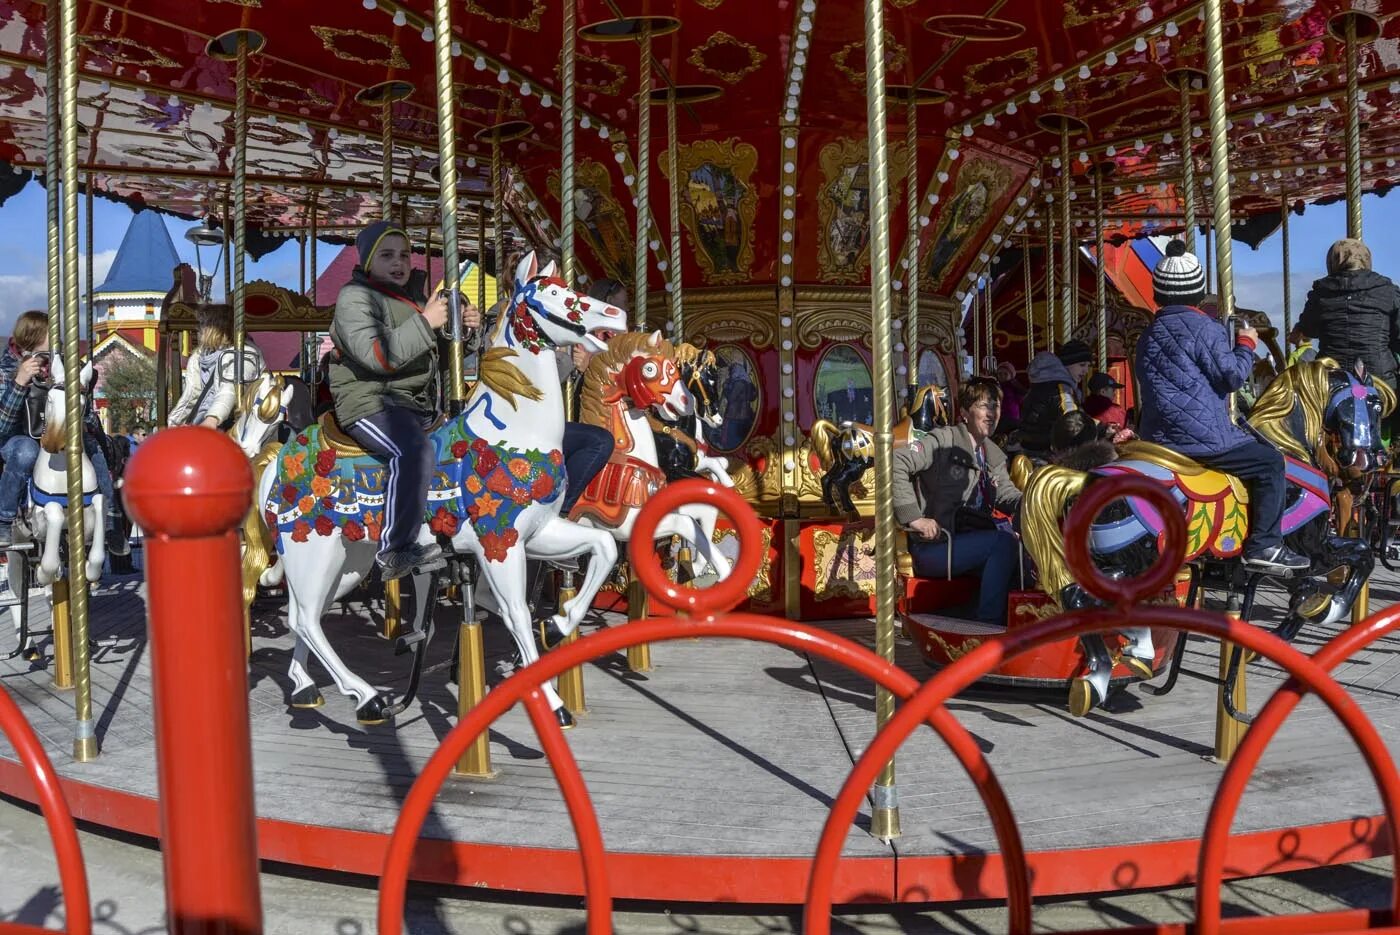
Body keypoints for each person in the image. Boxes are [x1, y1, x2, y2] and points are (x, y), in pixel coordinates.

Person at [1137, 240, 1307, 573]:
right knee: (1271, 462)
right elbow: (1231, 378)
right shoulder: (1205, 329)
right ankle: (1265, 545)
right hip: (1200, 439)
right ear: (1198, 291)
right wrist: (1245, 345)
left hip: (1157, 439)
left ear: (1158, 293)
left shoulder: (1149, 333)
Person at [329, 220, 480, 579]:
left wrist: (465, 332)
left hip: (415, 405)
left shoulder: (411, 299)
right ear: (367, 260)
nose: (398, 263)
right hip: (370, 401)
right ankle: (395, 548)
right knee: (413, 449)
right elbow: (379, 356)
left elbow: (433, 360)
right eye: (386, 255)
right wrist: (427, 321)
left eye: (403, 254)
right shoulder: (354, 298)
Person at [893, 378, 1023, 627]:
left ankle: (1010, 623)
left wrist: (1035, 501)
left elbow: (1006, 494)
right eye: (984, 406)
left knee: (1023, 556)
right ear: (964, 412)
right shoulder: (942, 441)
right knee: (1003, 543)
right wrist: (914, 517)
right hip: (936, 544)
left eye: (995, 407)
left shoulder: (992, 454)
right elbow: (897, 461)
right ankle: (987, 625)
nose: (991, 414)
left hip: (970, 540)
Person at [0, 311, 120, 551]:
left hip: (61, 433)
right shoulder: (7, 367)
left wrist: (80, 395)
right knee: (25, 452)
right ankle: (5, 518)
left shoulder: (64, 366)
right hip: (20, 435)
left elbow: (88, 418)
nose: (57, 341)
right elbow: (3, 424)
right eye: (50, 335)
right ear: (32, 337)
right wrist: (20, 382)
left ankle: (111, 521)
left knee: (91, 446)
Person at [1293, 238, 1400, 392]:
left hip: (1331, 377)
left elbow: (1309, 330)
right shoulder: (1388, 291)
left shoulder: (1320, 293)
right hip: (1380, 379)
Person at [167, 304, 266, 430]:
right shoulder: (200, 356)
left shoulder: (244, 355)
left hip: (234, 422)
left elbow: (230, 389)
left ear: (218, 328)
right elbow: (191, 395)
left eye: (204, 324)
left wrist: (212, 418)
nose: (199, 328)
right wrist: (173, 424)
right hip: (203, 419)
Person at [1018, 339, 1091, 458]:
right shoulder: (1062, 388)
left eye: (1088, 366)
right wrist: (1102, 429)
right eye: (1082, 365)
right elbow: (1073, 419)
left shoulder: (1043, 383)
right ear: (1067, 364)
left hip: (1030, 449)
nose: (1086, 370)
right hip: (1047, 454)